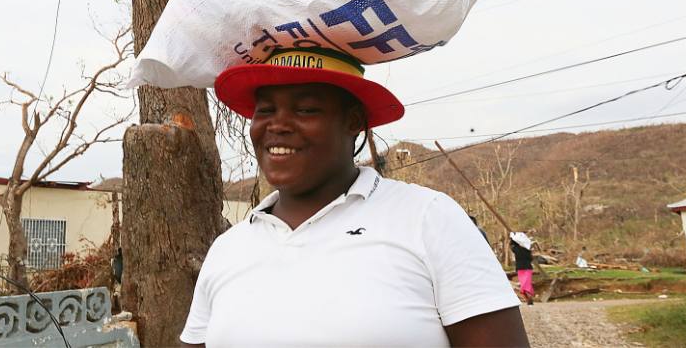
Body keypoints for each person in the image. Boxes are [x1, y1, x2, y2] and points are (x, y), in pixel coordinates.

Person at [180, 47, 529, 347]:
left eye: (306, 110)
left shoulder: (427, 219)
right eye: (266, 111)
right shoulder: (229, 248)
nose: (278, 125)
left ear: (354, 121)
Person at [510, 232, 534, 306]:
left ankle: (528, 298)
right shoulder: (527, 250)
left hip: (520, 268)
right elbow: (531, 258)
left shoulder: (516, 249)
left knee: (523, 284)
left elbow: (512, 245)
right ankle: (529, 297)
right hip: (527, 268)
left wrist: (512, 238)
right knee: (527, 284)